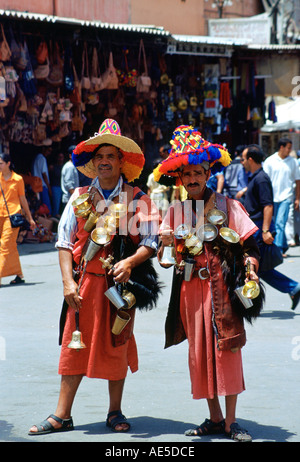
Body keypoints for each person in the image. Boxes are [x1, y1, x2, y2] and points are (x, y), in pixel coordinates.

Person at [28, 119, 161, 435]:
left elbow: (152, 241)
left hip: (120, 286)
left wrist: (130, 261)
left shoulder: (137, 198)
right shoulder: (78, 197)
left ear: (121, 161)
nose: (104, 161)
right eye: (99, 156)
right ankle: (62, 415)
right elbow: (62, 243)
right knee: (74, 346)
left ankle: (114, 411)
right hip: (83, 284)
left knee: (118, 342)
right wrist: (67, 282)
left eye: (110, 156)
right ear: (92, 161)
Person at [154, 125, 262, 442]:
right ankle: (214, 417)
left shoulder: (229, 207)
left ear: (208, 172)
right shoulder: (175, 211)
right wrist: (163, 245)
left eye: (198, 173)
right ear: (180, 178)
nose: (192, 179)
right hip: (190, 290)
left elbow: (251, 246)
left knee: (227, 350)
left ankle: (231, 421)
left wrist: (251, 266)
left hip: (223, 289)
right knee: (199, 354)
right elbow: (164, 261)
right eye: (186, 174)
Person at [241, 144, 300, 310]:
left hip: (259, 229)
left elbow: (268, 206)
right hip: (255, 228)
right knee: (259, 267)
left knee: (252, 266)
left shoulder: (261, 179)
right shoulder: (256, 177)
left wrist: (265, 230)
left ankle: (245, 303)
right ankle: (293, 288)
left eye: (244, 159)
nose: (242, 162)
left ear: (250, 159)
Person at [0, 153, 36, 286]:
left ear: (8, 164)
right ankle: (18, 274)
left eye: (1, 163)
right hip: (0, 215)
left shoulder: (18, 179)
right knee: (11, 247)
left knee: (5, 245)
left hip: (13, 215)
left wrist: (30, 218)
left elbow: (22, 199)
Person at [263, 138, 300, 257]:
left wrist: (297, 198)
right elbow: (265, 180)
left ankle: (278, 250)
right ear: (281, 147)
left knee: (280, 222)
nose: (290, 150)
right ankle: (283, 245)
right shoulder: (270, 161)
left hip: (287, 197)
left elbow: (298, 181)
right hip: (272, 198)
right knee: (275, 223)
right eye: (288, 148)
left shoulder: (293, 162)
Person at [32, 146, 53, 215]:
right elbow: (44, 174)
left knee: (40, 206)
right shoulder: (42, 158)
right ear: (43, 149)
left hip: (36, 184)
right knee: (47, 207)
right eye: (48, 150)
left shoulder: (36, 158)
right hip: (42, 185)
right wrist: (49, 187)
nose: (49, 153)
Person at [61, 145, 79, 209]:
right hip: (69, 199)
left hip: (71, 199)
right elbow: (69, 185)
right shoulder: (70, 167)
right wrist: (77, 199)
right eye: (75, 154)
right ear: (70, 156)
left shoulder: (71, 166)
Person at [49, 151, 64, 218]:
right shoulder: (53, 167)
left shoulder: (64, 167)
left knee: (62, 205)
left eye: (62, 157)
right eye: (59, 157)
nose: (60, 159)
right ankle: (54, 219)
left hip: (62, 188)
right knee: (56, 205)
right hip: (55, 187)